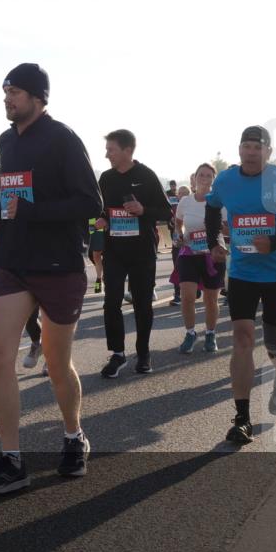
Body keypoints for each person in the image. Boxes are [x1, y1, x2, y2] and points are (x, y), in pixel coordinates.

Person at [0, 63, 102, 494]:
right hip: (12, 261)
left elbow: (89, 202)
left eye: (15, 91)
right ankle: (11, 459)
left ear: (38, 97)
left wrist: (28, 212)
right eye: (5, 91)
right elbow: (13, 195)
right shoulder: (6, 141)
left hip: (58, 264)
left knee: (56, 363)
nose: (7, 98)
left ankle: (73, 435)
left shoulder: (63, 139)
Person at [205, 126, 276, 444]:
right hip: (242, 272)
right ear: (239, 150)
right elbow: (212, 206)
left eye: (258, 146)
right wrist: (214, 241)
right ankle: (242, 419)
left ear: (268, 152)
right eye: (246, 145)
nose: (252, 151)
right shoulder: (226, 179)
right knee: (242, 339)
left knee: (273, 342)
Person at [97, 130, 173, 377]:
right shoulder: (106, 178)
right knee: (111, 303)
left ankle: (143, 353)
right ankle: (117, 354)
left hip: (141, 251)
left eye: (111, 149)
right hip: (114, 250)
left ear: (127, 151)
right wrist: (101, 219)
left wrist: (143, 210)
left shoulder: (146, 175)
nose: (107, 154)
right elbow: (102, 210)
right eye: (107, 149)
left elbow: (165, 212)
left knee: (142, 304)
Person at [175, 164, 226, 353]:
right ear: (194, 178)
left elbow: (228, 228)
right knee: (187, 297)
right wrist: (179, 235)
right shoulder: (185, 202)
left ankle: (211, 333)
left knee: (211, 300)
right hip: (189, 254)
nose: (204, 178)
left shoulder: (219, 202)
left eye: (209, 175)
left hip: (213, 255)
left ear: (214, 179)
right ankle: (190, 333)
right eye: (201, 175)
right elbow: (178, 223)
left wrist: (214, 227)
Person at [87, 217, 105, 294]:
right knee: (94, 255)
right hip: (93, 220)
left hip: (105, 218)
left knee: (99, 252)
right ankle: (100, 278)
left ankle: (102, 278)